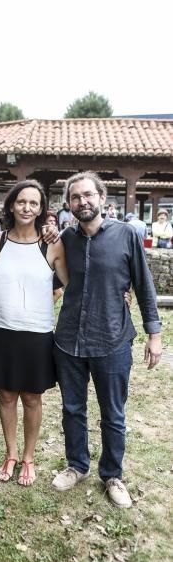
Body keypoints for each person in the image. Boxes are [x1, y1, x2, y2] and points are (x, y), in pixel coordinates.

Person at [51, 171, 162, 509]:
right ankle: (77, 465)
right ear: (69, 205)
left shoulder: (126, 235)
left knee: (113, 413)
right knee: (72, 409)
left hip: (112, 339)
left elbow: (143, 286)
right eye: (75, 197)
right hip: (69, 339)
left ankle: (112, 474)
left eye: (88, 195)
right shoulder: (64, 240)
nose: (82, 202)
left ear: (101, 198)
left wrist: (154, 335)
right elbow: (50, 279)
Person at [0, 180, 68, 486]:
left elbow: (71, 285)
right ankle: (11, 453)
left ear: (42, 209)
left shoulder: (53, 244)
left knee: (31, 398)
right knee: (6, 396)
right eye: (21, 202)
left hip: (36, 332)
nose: (27, 208)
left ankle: (29, 457)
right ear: (11, 205)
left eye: (34, 203)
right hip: (0, 328)